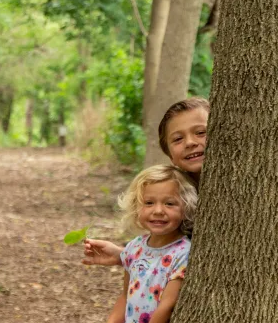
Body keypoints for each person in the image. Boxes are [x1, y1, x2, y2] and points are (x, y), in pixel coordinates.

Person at [101, 165, 196, 323]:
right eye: (149, 202)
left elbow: (167, 306)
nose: (158, 211)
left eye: (169, 203)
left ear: (185, 206)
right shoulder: (134, 248)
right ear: (137, 208)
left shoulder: (183, 253)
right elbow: (126, 294)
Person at [83, 97, 209, 266]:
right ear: (170, 155)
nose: (190, 142)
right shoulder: (173, 192)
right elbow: (170, 251)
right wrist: (124, 256)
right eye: (177, 139)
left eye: (201, 132)